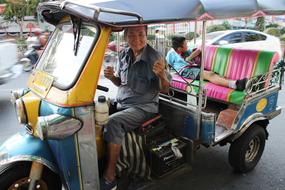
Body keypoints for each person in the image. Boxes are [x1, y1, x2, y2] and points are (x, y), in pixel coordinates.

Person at [102, 26, 170, 190]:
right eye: (131, 34)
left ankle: (109, 176)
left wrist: (162, 75)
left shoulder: (155, 57)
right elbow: (121, 83)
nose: (136, 38)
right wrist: (112, 78)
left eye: (141, 34)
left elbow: (165, 89)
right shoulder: (124, 54)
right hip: (123, 104)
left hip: (144, 107)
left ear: (146, 36)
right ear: (126, 37)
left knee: (113, 122)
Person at [166, 36, 247, 90]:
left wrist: (189, 57)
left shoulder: (186, 52)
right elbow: (167, 65)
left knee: (212, 73)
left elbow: (198, 50)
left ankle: (236, 82)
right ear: (179, 48)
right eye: (185, 44)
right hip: (184, 71)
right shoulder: (171, 53)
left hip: (192, 68)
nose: (187, 46)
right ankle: (235, 85)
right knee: (208, 75)